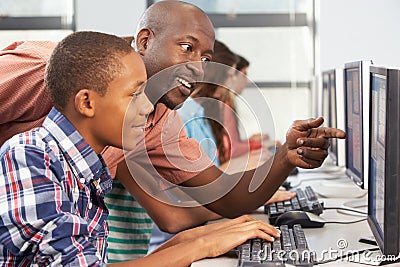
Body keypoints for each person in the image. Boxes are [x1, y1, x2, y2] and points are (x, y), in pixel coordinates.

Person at [0, 1, 345, 262]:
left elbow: (226, 196)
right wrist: (201, 243)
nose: (199, 68)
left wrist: (286, 157)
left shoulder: (154, 120)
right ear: (146, 40)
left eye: (207, 59)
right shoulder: (45, 73)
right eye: (187, 47)